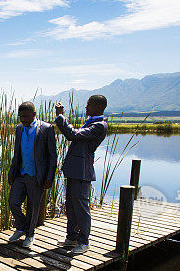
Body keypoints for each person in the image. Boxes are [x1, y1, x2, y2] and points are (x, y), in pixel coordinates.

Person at [54, 95, 108, 255]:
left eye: (89, 105)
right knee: (70, 205)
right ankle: (72, 237)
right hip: (74, 170)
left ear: (98, 107)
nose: (86, 108)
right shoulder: (92, 121)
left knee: (81, 208)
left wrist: (60, 116)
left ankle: (84, 242)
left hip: (82, 172)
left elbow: (73, 135)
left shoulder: (99, 125)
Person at [7, 101, 58, 249]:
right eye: (21, 117)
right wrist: (12, 173)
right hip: (21, 174)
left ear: (34, 114)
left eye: (26, 116)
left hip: (37, 175)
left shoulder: (47, 129)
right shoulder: (19, 129)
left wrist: (49, 177)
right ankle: (21, 227)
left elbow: (52, 156)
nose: (23, 120)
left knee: (33, 207)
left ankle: (30, 234)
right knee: (13, 201)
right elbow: (16, 154)